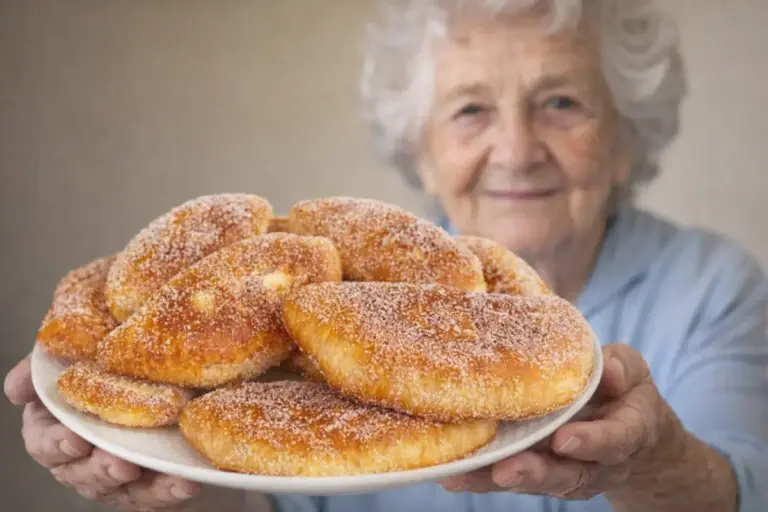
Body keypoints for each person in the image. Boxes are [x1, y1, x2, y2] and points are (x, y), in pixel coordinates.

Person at [5, 0, 768, 510]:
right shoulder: (316, 307)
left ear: (627, 136)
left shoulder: (711, 288)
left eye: (561, 102)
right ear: (421, 152)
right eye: (470, 109)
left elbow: (747, 490)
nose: (515, 150)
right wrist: (160, 477)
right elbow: (268, 485)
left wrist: (652, 460)